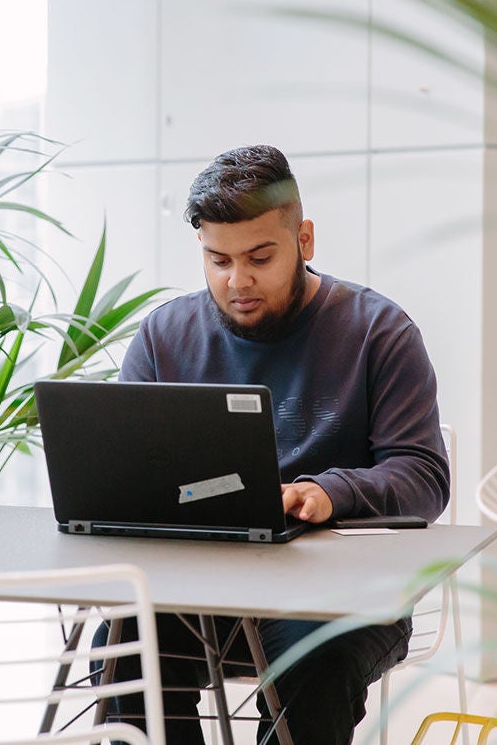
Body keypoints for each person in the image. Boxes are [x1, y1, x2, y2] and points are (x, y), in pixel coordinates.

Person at [104, 144, 449, 744]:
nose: (237, 282)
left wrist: (328, 491)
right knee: (126, 656)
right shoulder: (165, 336)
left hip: (341, 594)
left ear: (304, 240)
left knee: (312, 669)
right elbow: (128, 478)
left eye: (260, 257)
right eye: (217, 260)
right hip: (199, 588)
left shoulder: (378, 332)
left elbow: (423, 476)